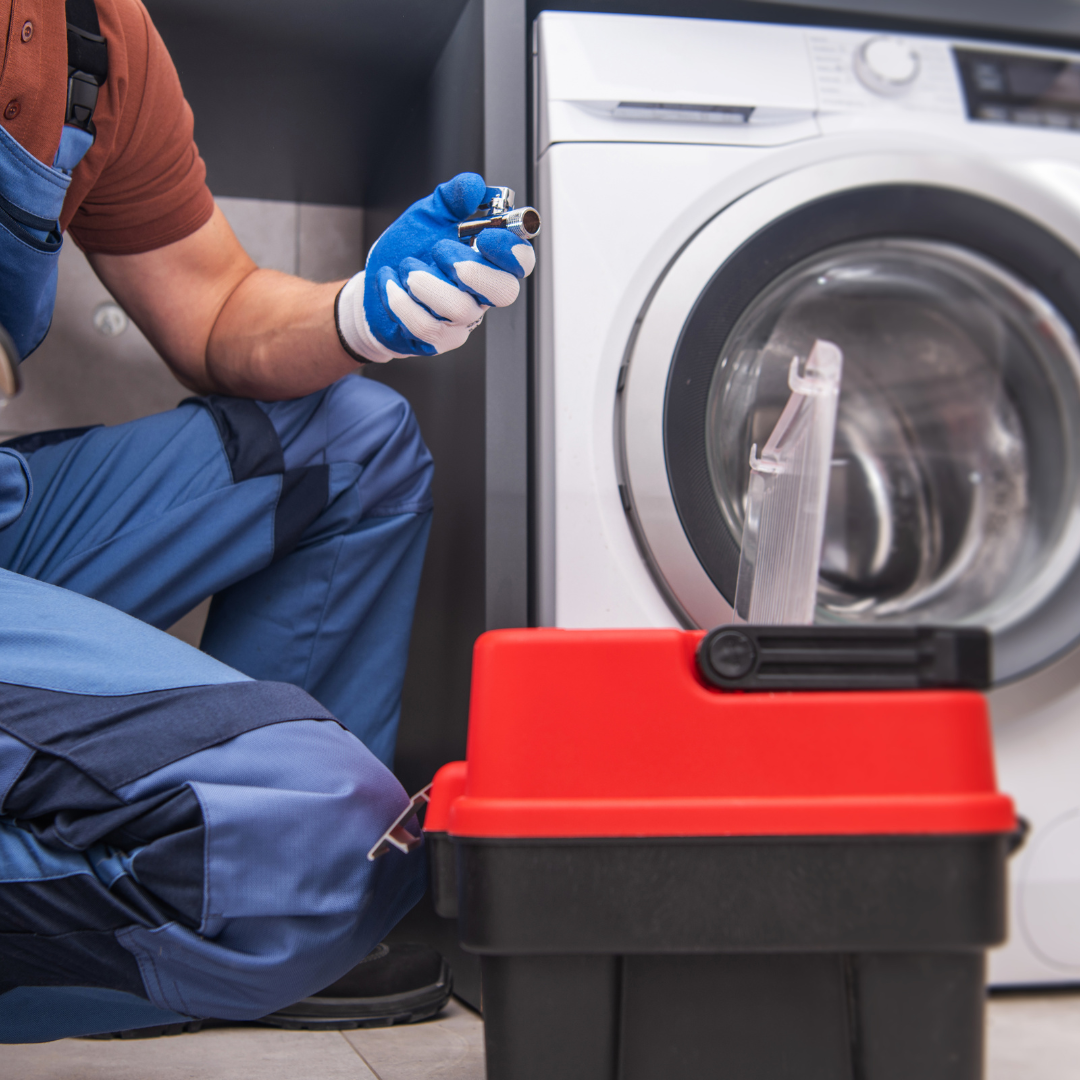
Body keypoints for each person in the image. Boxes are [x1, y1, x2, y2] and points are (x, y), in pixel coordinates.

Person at [0, 0, 535, 1043]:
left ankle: (267, 915)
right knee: (316, 840)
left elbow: (215, 306)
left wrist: (357, 311)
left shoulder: (89, 33)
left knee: (354, 439)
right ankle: (267, 900)